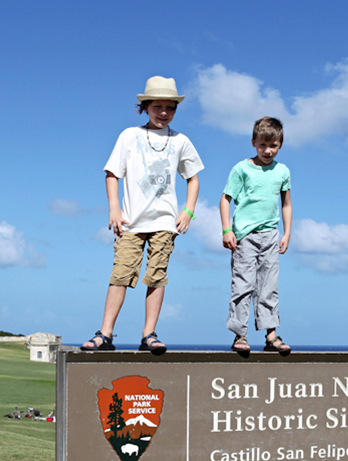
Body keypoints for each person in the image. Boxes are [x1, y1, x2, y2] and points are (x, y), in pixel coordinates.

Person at [82, 77, 203, 355]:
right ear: (145, 107)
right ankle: (106, 333)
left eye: (170, 108)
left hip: (165, 221)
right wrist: (114, 208)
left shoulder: (181, 140)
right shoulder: (129, 136)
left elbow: (193, 178)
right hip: (131, 221)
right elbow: (112, 174)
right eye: (157, 106)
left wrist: (188, 210)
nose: (163, 112)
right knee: (120, 274)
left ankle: (149, 334)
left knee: (157, 276)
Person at [219, 117, 293, 356]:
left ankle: (271, 336)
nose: (267, 150)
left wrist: (287, 233)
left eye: (273, 145)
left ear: (280, 144)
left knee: (269, 286)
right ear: (253, 143)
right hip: (244, 236)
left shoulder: (282, 171)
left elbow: (286, 204)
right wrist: (226, 230)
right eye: (262, 145)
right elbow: (225, 200)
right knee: (243, 285)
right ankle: (240, 335)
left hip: (271, 235)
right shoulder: (241, 169)